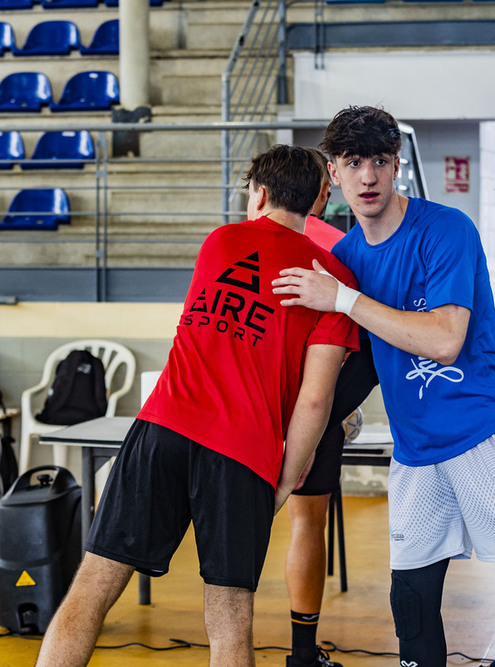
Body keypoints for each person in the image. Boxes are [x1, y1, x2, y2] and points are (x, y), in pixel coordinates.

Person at [273, 106, 495, 667]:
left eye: (379, 161)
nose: (368, 177)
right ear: (333, 174)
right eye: (353, 164)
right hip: (417, 452)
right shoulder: (345, 260)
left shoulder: (445, 229)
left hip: (488, 433)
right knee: (412, 600)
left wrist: (343, 299)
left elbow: (446, 338)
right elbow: (340, 369)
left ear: (396, 165)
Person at [35, 144, 360, 667]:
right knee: (229, 622)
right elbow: (316, 399)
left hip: (161, 427)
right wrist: (285, 479)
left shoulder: (219, 241)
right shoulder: (333, 281)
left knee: (92, 588)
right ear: (320, 198)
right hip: (242, 454)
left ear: (258, 192)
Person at [285, 147, 380, 667]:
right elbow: (361, 341)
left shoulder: (231, 243)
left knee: (240, 526)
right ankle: (301, 654)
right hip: (316, 402)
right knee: (306, 523)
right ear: (327, 185)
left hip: (267, 401)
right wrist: (340, 405)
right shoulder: (341, 247)